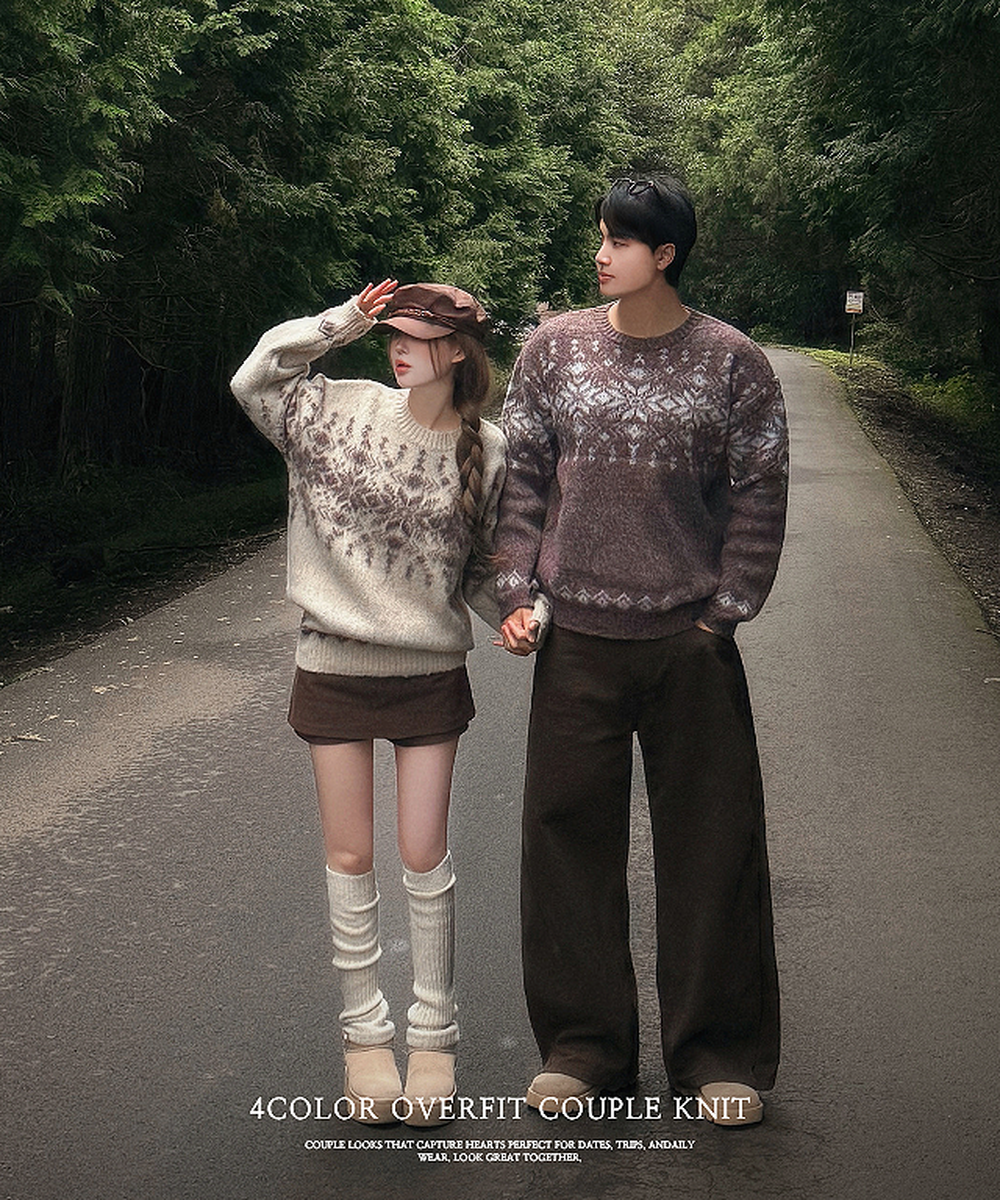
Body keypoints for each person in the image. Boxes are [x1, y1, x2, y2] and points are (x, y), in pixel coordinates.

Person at [495, 176, 788, 1126]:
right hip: (576, 641)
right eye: (600, 237)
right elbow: (523, 478)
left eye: (620, 241)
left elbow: (761, 489)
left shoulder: (733, 362)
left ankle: (718, 1055)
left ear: (665, 255)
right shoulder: (553, 349)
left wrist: (724, 613)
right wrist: (516, 591)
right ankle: (583, 1050)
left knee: (713, 848)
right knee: (565, 843)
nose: (601, 254)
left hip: (689, 645)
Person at [231, 280, 523, 1127]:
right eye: (391, 333)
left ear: (458, 350)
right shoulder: (335, 410)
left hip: (429, 673)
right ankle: (364, 1040)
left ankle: (434, 1040)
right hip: (333, 662)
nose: (397, 347)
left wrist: (514, 613)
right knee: (351, 854)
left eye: (417, 336)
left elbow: (479, 568)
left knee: (424, 855)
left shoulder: (488, 448)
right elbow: (255, 378)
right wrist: (341, 322)